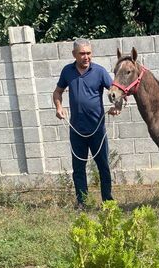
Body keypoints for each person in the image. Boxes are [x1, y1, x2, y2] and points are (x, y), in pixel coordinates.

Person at [53, 38, 118, 209]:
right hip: (77, 130)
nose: (86, 57)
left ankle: (108, 203)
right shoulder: (67, 71)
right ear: (74, 54)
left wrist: (116, 106)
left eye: (88, 53)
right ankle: (82, 202)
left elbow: (116, 93)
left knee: (103, 167)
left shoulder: (100, 71)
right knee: (79, 169)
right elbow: (58, 92)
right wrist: (59, 107)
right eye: (82, 53)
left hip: (97, 129)